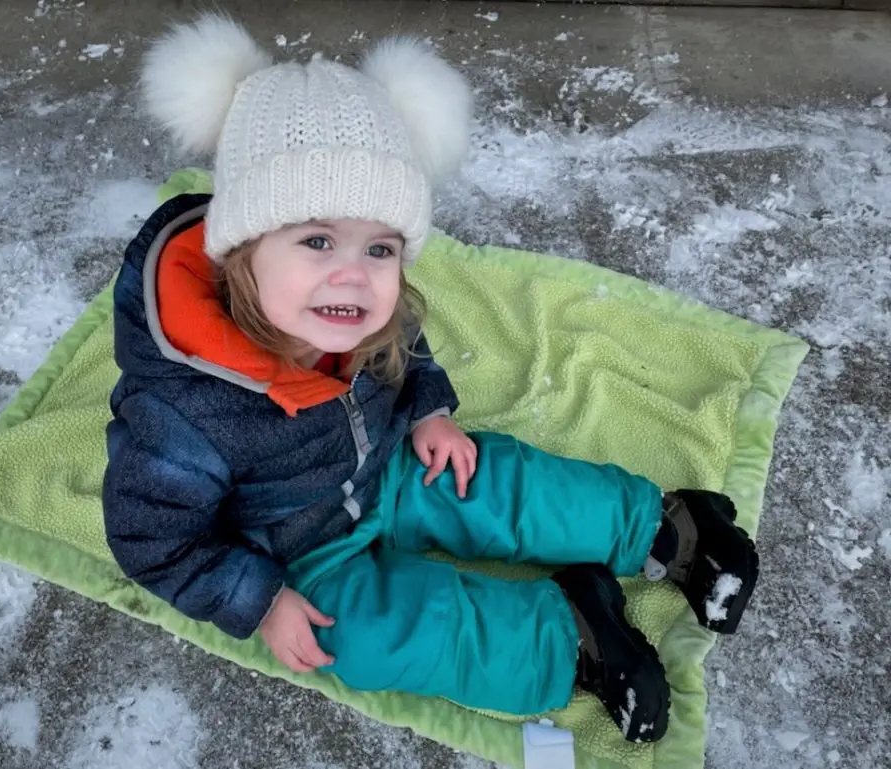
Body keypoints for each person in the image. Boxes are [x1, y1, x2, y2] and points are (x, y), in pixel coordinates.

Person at [103, 13, 759, 743]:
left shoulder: (355, 314)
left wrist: (427, 413)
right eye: (316, 238)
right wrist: (257, 600)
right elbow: (152, 539)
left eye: (380, 247)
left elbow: (404, 345)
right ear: (241, 250)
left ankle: (663, 526)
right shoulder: (181, 407)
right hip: (295, 544)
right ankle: (569, 635)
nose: (351, 272)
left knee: (490, 481)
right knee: (364, 635)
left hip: (387, 464)